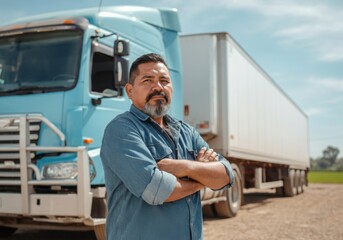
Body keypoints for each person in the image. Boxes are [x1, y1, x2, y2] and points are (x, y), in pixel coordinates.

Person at [100, 53, 234, 240]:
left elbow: (226, 176)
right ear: (130, 91)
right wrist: (204, 176)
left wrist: (184, 167)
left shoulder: (187, 132)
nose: (158, 87)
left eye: (164, 80)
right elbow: (156, 190)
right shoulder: (121, 130)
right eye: (147, 80)